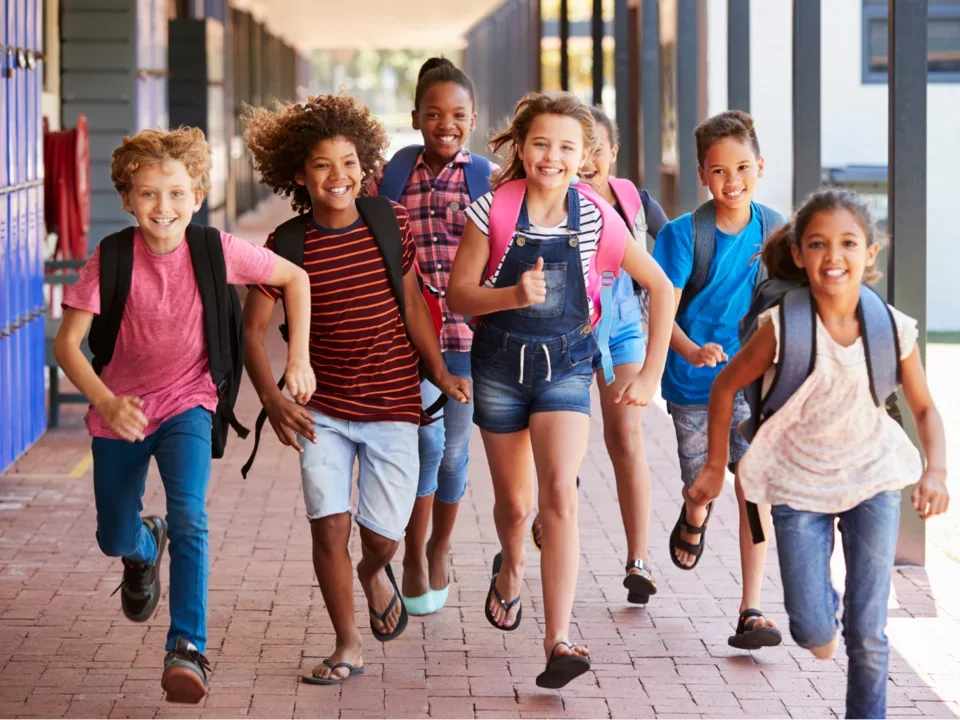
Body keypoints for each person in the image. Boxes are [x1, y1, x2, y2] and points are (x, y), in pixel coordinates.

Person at [53, 127, 314, 702]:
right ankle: (144, 543)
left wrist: (299, 357)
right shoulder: (113, 256)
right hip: (119, 410)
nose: (162, 207)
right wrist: (104, 401)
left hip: (188, 400)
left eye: (175, 194)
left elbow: (294, 278)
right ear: (127, 199)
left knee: (191, 515)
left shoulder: (214, 249)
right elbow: (68, 344)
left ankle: (187, 647)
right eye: (148, 194)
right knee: (112, 535)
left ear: (197, 195)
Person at [687, 188, 949, 720]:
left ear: (871, 253)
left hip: (872, 481)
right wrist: (715, 466)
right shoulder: (782, 326)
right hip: (796, 485)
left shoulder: (892, 329)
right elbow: (723, 388)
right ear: (800, 254)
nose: (834, 256)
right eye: (819, 244)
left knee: (868, 632)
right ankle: (821, 615)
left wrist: (938, 470)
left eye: (849, 243)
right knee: (810, 626)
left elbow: (924, 408)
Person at [447, 91, 674, 689]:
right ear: (521, 148)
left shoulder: (597, 215)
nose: (553, 156)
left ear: (586, 156)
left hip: (568, 365)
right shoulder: (491, 210)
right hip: (498, 367)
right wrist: (512, 297)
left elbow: (662, 286)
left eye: (567, 147)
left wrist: (650, 373)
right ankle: (511, 566)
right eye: (542, 144)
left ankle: (559, 639)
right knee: (517, 508)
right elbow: (459, 296)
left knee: (560, 498)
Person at [242, 93, 470, 685]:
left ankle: (375, 572)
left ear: (364, 165)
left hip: (394, 401)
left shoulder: (387, 221)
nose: (336, 176)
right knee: (328, 525)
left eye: (347, 162)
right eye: (321, 165)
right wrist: (272, 399)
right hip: (322, 409)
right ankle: (347, 644)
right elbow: (252, 332)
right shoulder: (286, 245)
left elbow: (415, 302)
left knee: (382, 540)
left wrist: (439, 371)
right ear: (299, 172)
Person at [653, 110, 784, 650]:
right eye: (719, 171)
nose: (733, 182)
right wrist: (690, 349)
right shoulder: (685, 236)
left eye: (743, 168)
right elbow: (659, 309)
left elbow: (787, 302)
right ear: (702, 175)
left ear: (760, 166)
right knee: (702, 484)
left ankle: (751, 609)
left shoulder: (776, 230)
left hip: (752, 386)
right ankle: (692, 513)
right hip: (692, 386)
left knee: (753, 490)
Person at [530, 105, 669, 606]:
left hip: (623, 329)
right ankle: (552, 508)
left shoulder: (635, 201)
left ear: (611, 153)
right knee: (562, 441)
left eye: (595, 150)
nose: (585, 160)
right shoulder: (553, 201)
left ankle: (639, 558)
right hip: (564, 330)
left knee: (625, 434)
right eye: (575, 148)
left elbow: (671, 259)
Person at [375, 57, 496, 615]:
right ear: (417, 116)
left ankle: (441, 544)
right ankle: (414, 554)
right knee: (425, 447)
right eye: (433, 113)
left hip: (472, 342)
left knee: (453, 454)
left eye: (456, 114)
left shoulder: (489, 180)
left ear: (472, 118)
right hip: (414, 339)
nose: (444, 123)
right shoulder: (393, 177)